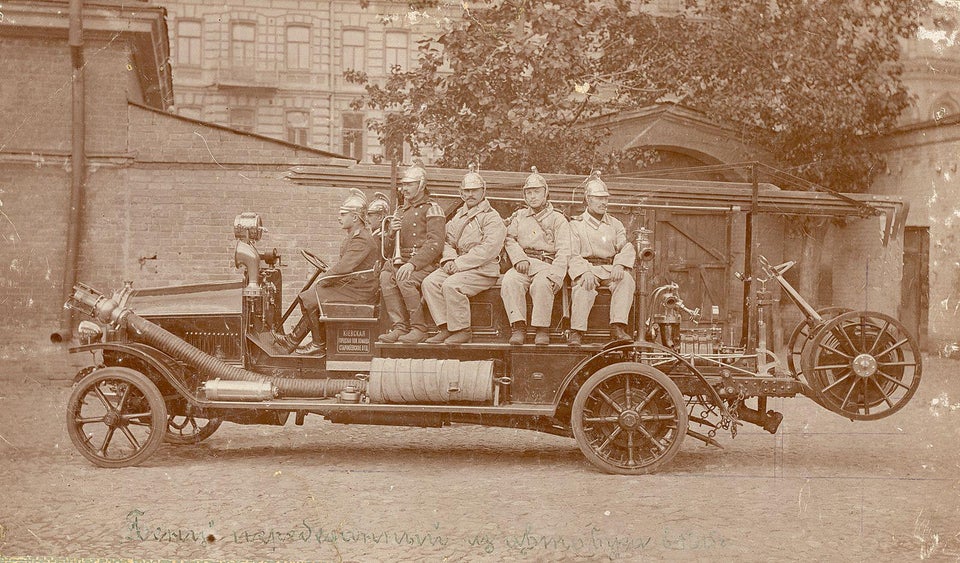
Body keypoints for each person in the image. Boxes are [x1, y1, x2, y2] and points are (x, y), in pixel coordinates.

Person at [273, 189, 380, 355]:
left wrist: (324, 278)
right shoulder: (356, 235)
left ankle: (317, 343)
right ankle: (292, 340)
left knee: (309, 296)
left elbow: (345, 267)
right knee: (310, 297)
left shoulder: (361, 238)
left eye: (343, 214)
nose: (339, 217)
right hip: (354, 286)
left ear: (355, 217)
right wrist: (326, 277)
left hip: (360, 290)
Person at [421, 164, 506, 344]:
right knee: (430, 282)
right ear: (461, 193)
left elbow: (489, 249)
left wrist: (459, 264)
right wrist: (450, 259)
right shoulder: (459, 216)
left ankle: (462, 330)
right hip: (458, 264)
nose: (470, 194)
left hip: (483, 269)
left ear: (483, 191)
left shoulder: (491, 217)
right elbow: (446, 240)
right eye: (466, 191)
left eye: (475, 190)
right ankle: (444, 327)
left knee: (452, 285)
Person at [501, 167, 571, 345]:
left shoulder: (558, 219)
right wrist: (519, 258)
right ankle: (518, 327)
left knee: (542, 284)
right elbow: (509, 239)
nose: (532, 196)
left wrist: (557, 274)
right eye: (529, 192)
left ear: (546, 193)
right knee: (510, 280)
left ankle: (542, 329)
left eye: (537, 192)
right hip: (523, 263)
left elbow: (564, 250)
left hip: (546, 264)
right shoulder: (519, 217)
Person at [377, 163, 446, 344]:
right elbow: (388, 249)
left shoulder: (433, 208)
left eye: (409, 184)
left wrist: (413, 264)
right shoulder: (401, 210)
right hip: (403, 260)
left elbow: (435, 244)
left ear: (421, 186)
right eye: (403, 184)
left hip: (424, 264)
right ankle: (399, 327)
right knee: (385, 277)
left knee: (404, 279)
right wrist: (391, 232)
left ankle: (419, 328)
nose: (404, 188)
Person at [567, 171, 636, 346]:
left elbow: (626, 246)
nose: (604, 202)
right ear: (588, 199)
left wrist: (620, 264)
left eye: (605, 198)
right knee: (584, 286)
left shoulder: (615, 224)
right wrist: (584, 272)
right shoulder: (576, 225)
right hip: (587, 267)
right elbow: (572, 253)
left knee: (626, 280)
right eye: (598, 198)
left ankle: (618, 326)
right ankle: (577, 331)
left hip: (609, 269)